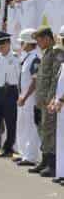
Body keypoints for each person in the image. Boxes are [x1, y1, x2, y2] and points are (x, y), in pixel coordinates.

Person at [28, 26, 64, 177]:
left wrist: (50, 98)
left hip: (49, 99)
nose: (38, 43)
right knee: (44, 130)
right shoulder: (47, 52)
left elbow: (55, 79)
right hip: (42, 98)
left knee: (50, 131)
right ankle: (45, 160)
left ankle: (52, 163)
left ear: (47, 38)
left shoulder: (56, 52)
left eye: (39, 40)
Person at [15, 29, 42, 166]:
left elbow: (35, 80)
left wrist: (24, 97)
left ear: (28, 42)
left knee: (31, 126)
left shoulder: (35, 58)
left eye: (22, 42)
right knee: (23, 125)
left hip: (30, 99)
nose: (20, 44)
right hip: (24, 97)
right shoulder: (27, 57)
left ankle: (30, 156)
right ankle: (24, 153)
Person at [52, 25, 64, 183]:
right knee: (61, 139)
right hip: (61, 105)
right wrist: (54, 99)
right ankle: (61, 173)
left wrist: (60, 100)